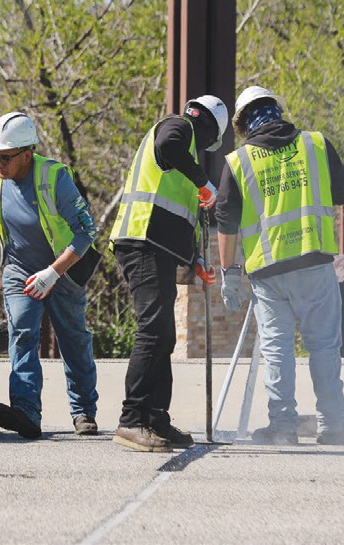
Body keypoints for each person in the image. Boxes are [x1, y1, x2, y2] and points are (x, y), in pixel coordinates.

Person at [212, 86, 344, 446]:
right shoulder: (315, 144)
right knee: (324, 346)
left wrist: (229, 275)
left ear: (242, 124)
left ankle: (283, 428)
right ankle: (333, 425)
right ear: (277, 112)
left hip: (268, 272)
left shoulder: (238, 162)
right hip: (314, 263)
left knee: (277, 348)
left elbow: (226, 221)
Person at [0, 111, 101, 439]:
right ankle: (26, 411)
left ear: (26, 154)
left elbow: (87, 232)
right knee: (22, 335)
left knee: (73, 341)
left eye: (5, 157)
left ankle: (83, 410)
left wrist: (53, 273)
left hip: (62, 271)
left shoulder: (55, 178)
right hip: (17, 269)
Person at [108, 95, 229, 452]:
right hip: (141, 240)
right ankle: (132, 420)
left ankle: (156, 417)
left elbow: (178, 218)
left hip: (156, 246)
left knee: (164, 335)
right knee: (153, 329)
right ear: (210, 128)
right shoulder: (180, 127)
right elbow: (167, 144)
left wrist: (195, 261)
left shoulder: (184, 154)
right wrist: (205, 182)